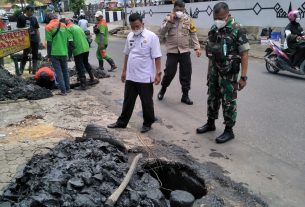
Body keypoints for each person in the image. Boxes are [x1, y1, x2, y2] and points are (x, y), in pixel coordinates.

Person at [196, 2, 250, 144]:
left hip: (229, 73)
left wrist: (243, 77)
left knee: (228, 101)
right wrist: (209, 72)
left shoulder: (238, 30)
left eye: (220, 18)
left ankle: (228, 130)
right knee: (212, 97)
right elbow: (210, 53)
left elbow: (244, 54)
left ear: (228, 15)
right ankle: (210, 122)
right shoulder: (214, 28)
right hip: (215, 71)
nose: (217, 20)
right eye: (215, 17)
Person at [107, 13, 162, 133]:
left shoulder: (151, 37)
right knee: (128, 101)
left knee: (146, 102)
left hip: (145, 77)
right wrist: (124, 71)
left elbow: (157, 56)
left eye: (137, 26)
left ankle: (148, 123)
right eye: (133, 27)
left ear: (142, 23)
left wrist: (158, 73)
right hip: (131, 76)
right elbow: (127, 54)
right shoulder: (130, 36)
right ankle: (122, 122)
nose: (135, 29)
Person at [158, 0, 201, 105]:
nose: (179, 12)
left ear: (184, 9)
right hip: (172, 51)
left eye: (181, 10)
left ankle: (185, 96)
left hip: (185, 51)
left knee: (186, 74)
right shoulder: (168, 18)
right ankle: (163, 89)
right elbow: (161, 32)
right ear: (173, 9)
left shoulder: (188, 19)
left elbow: (193, 33)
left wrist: (197, 47)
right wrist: (170, 21)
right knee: (169, 73)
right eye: (177, 10)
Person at [61, 18, 99, 90]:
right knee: (85, 63)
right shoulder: (77, 27)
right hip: (86, 48)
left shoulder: (68, 29)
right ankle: (92, 78)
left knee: (79, 66)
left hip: (78, 49)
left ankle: (83, 85)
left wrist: (69, 56)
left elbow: (70, 43)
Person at [45, 13, 70, 96]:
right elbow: (67, 39)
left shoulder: (48, 27)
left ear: (48, 19)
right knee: (65, 71)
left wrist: (48, 55)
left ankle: (63, 91)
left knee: (59, 72)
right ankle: (68, 88)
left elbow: (49, 43)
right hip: (64, 51)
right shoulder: (64, 25)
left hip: (54, 52)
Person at [17, 5, 41, 74]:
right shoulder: (20, 17)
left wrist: (39, 40)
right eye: (31, 11)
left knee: (35, 54)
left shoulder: (34, 18)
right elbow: (18, 30)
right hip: (26, 39)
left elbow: (37, 29)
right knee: (25, 54)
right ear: (27, 10)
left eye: (33, 11)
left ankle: (34, 70)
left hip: (34, 39)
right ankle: (21, 70)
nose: (32, 13)